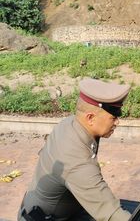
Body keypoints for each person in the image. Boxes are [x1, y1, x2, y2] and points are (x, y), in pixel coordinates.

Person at [18, 78, 132, 221]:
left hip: (59, 209)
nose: (117, 122)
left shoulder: (72, 124)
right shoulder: (76, 159)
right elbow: (111, 213)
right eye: (113, 117)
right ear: (90, 118)